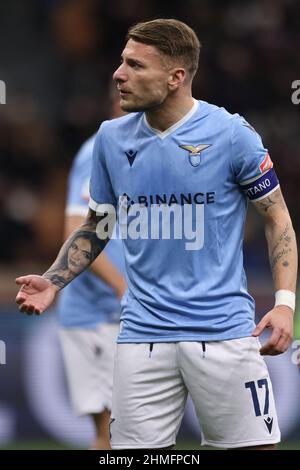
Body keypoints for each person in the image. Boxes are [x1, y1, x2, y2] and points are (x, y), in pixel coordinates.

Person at [16, 19, 297, 450]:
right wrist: (53, 280)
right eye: (121, 62)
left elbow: (278, 218)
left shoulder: (232, 134)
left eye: (135, 65)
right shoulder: (110, 139)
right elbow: (97, 225)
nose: (118, 74)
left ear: (175, 77)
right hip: (141, 334)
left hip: (222, 331)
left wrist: (283, 304)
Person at [56, 129, 127, 450]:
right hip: (98, 314)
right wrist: (123, 288)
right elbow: (76, 232)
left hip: (125, 314)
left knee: (130, 432)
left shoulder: (150, 149)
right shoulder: (100, 148)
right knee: (113, 432)